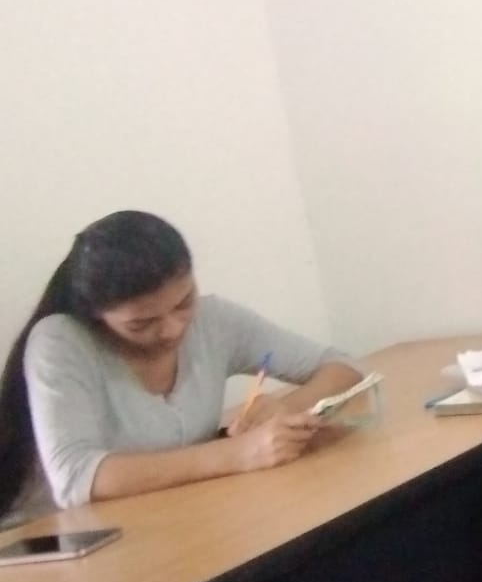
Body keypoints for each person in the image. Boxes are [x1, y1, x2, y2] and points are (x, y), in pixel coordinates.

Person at [0, 210, 364, 529]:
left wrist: (287, 409)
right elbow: (76, 479)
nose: (173, 329)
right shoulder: (62, 341)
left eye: (183, 302)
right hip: (64, 546)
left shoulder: (214, 321)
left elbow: (341, 365)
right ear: (97, 315)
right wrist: (238, 454)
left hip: (176, 524)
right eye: (142, 324)